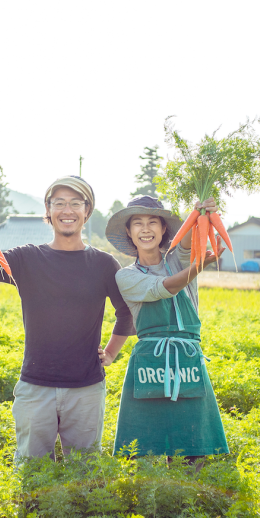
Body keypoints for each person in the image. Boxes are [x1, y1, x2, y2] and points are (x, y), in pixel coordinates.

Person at [0, 175, 135, 462]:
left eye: (76, 203)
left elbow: (126, 312)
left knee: (86, 470)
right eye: (59, 203)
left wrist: (111, 353)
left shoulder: (103, 263)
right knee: (31, 470)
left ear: (87, 211)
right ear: (48, 210)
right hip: (35, 386)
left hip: (86, 388)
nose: (68, 210)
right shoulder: (28, 259)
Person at [105, 195, 229, 459]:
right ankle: (149, 496)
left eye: (153, 222)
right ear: (129, 232)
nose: (146, 229)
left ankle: (188, 496)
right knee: (144, 447)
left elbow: (187, 242)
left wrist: (201, 214)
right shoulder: (126, 276)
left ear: (163, 230)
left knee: (193, 444)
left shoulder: (178, 260)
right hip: (150, 360)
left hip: (187, 359)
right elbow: (165, 288)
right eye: (137, 223)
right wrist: (199, 266)